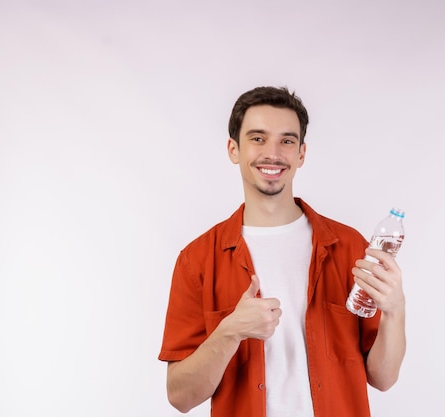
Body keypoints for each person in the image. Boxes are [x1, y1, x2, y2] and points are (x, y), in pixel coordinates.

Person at [158, 86, 406, 417]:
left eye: (287, 141)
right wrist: (229, 332)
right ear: (234, 149)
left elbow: (383, 377)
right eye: (258, 138)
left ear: (301, 153)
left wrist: (395, 309)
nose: (273, 153)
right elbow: (180, 396)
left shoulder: (349, 248)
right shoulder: (198, 260)